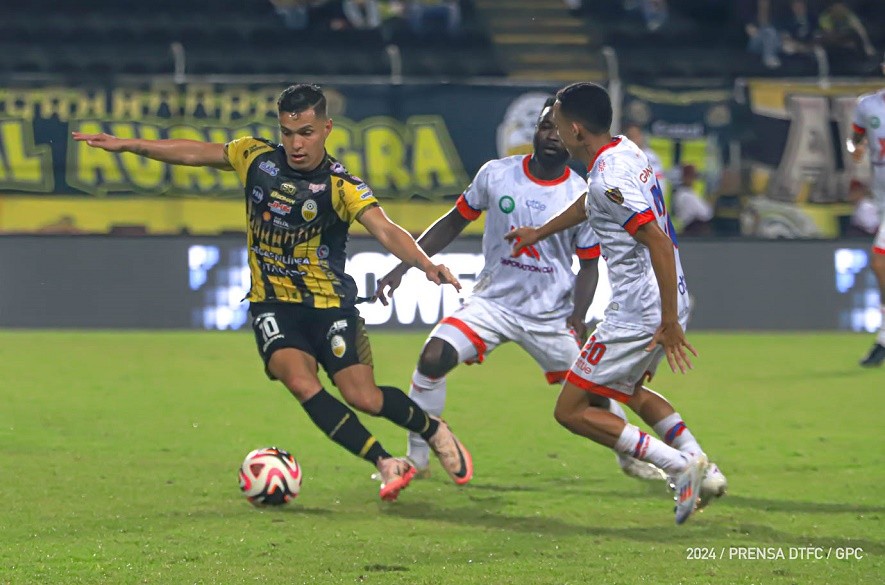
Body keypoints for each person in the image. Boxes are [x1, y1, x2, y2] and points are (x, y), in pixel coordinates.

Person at [72, 83, 473, 501]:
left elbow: (385, 229)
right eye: (288, 132)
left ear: (326, 128)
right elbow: (193, 152)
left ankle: (432, 429)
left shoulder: (342, 186)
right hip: (273, 304)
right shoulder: (255, 157)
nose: (296, 144)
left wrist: (425, 264)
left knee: (364, 397)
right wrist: (130, 145)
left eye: (306, 133)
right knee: (301, 383)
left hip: (329, 306)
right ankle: (386, 462)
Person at [375, 98, 667, 483]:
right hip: (491, 304)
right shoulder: (496, 174)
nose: (551, 135)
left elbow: (589, 264)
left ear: (572, 137)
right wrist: (404, 266)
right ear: (535, 132)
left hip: (549, 318)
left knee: (596, 392)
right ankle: (418, 457)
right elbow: (453, 222)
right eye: (545, 127)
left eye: (558, 129)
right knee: (433, 357)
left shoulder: (583, 194)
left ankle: (630, 456)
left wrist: (578, 317)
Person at [506, 82, 727, 525]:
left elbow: (657, 242)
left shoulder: (608, 179)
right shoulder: (623, 151)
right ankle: (704, 467)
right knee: (631, 392)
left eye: (557, 124)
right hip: (667, 295)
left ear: (576, 129)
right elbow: (592, 204)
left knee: (571, 411)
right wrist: (539, 232)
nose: (554, 132)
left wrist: (667, 322)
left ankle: (678, 466)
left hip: (639, 310)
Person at [847, 62, 885, 367]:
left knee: (879, 261)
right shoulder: (868, 105)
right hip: (881, 199)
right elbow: (854, 139)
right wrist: (855, 149)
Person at [671, 164, 713, 236]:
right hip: (692, 229)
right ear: (683, 178)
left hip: (694, 229)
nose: (692, 180)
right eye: (689, 177)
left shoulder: (690, 192)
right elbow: (706, 213)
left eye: (693, 177)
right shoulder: (683, 194)